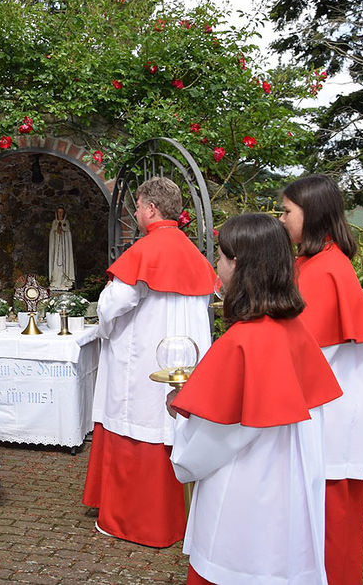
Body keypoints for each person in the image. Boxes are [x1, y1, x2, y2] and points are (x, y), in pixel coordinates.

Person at [169, 213, 341, 584]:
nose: (217, 264)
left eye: (221, 256)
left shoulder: (242, 341)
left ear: (240, 265)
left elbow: (212, 441)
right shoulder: (294, 330)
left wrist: (182, 415)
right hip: (290, 493)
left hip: (244, 498)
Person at [79, 176, 216, 547]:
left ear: (151, 210)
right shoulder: (193, 253)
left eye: (138, 207)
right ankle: (180, 518)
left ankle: (131, 520)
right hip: (185, 361)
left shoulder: (145, 250)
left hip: (144, 362)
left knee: (136, 422)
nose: (136, 213)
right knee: (171, 428)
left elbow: (112, 304)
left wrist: (104, 325)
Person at [281, 175, 363, 585]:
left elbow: (305, 357)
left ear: (313, 214)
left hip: (334, 422)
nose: (282, 220)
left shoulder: (323, 271)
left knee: (332, 532)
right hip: (330, 412)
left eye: (287, 211)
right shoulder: (316, 261)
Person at [48, 207, 75, 290]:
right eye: (59, 212)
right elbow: (52, 234)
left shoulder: (66, 222)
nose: (60, 214)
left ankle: (65, 281)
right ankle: (55, 281)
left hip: (64, 250)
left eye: (61, 212)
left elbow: (68, 234)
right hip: (56, 249)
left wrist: (62, 229)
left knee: (64, 264)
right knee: (56, 265)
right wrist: (56, 230)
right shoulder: (54, 222)